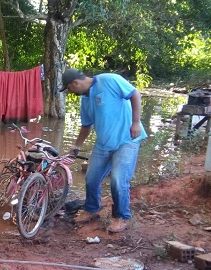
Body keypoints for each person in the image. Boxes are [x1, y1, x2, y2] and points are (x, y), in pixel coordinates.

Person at [60, 68, 147, 233]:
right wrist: (76, 145)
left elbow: (135, 94)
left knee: (118, 180)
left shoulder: (109, 80)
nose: (70, 92)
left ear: (75, 83)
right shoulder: (85, 100)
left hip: (126, 140)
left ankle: (122, 217)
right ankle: (92, 209)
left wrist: (136, 122)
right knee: (91, 178)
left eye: (69, 88)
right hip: (103, 144)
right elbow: (86, 126)